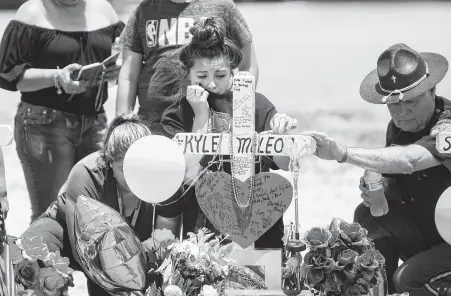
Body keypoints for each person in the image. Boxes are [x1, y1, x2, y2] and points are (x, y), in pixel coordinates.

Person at [303, 43, 451, 296]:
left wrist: (343, 154)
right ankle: (381, 289)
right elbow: (401, 181)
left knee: (410, 280)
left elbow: (410, 160)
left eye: (411, 101)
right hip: (432, 235)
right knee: (367, 214)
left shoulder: (447, 125)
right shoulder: (398, 128)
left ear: (432, 90)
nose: (402, 112)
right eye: (393, 104)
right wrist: (378, 187)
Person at [161, 17, 296, 249]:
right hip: (205, 229)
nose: (211, 84)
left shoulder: (257, 104)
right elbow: (189, 174)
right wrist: (201, 116)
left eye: (220, 75)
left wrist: (278, 135)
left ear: (233, 71)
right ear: (188, 74)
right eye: (201, 76)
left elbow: (284, 164)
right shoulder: (178, 113)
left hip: (260, 220)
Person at [18, 113, 189, 296]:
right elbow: (84, 253)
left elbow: (164, 245)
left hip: (135, 250)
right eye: (124, 168)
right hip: (74, 238)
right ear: (109, 163)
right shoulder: (86, 174)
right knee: (32, 251)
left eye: (139, 166)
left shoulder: (166, 179)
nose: (133, 175)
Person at [0, 0, 125, 222]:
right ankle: (44, 258)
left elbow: (126, 54)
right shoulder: (31, 12)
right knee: (52, 214)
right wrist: (57, 77)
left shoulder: (104, 9)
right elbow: (11, 76)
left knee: (94, 214)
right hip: (43, 125)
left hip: (96, 121)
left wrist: (114, 72)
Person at [116, 0, 259, 136]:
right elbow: (128, 76)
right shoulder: (144, 10)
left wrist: (239, 116)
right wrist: (121, 125)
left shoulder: (222, 5)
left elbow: (248, 66)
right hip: (153, 125)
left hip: (213, 125)